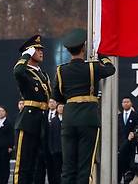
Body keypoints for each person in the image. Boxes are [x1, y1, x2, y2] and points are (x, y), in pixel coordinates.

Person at [52, 28, 116, 184]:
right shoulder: (92, 67)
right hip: (88, 119)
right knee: (84, 168)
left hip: (69, 120)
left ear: (69, 51)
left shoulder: (61, 71)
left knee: (68, 168)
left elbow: (57, 96)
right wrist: (103, 57)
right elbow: (110, 69)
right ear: (83, 48)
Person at [12, 34, 52, 184]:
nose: (41, 52)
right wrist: (25, 56)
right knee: (23, 166)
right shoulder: (24, 71)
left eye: (42, 49)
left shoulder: (43, 74)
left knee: (38, 166)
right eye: (37, 49)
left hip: (42, 121)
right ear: (29, 52)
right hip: (28, 121)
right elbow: (17, 72)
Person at [45, 103, 64, 184]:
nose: (61, 109)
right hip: (56, 150)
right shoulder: (53, 121)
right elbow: (50, 136)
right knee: (56, 170)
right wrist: (51, 149)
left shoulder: (67, 120)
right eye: (59, 107)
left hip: (65, 149)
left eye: (62, 107)